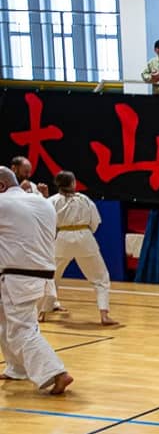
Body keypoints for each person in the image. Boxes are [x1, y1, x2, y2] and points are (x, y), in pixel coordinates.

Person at [0, 167, 73, 395]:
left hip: (18, 275)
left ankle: (57, 372)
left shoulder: (3, 203)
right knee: (6, 321)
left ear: (1, 186)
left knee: (21, 330)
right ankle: (17, 368)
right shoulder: (42, 202)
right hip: (43, 274)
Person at [38, 171, 119, 326]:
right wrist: (84, 233)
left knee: (51, 277)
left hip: (61, 239)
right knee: (100, 278)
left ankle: (42, 313)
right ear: (73, 183)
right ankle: (104, 315)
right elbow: (95, 222)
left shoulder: (52, 201)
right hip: (85, 238)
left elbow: (46, 223)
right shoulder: (84, 200)